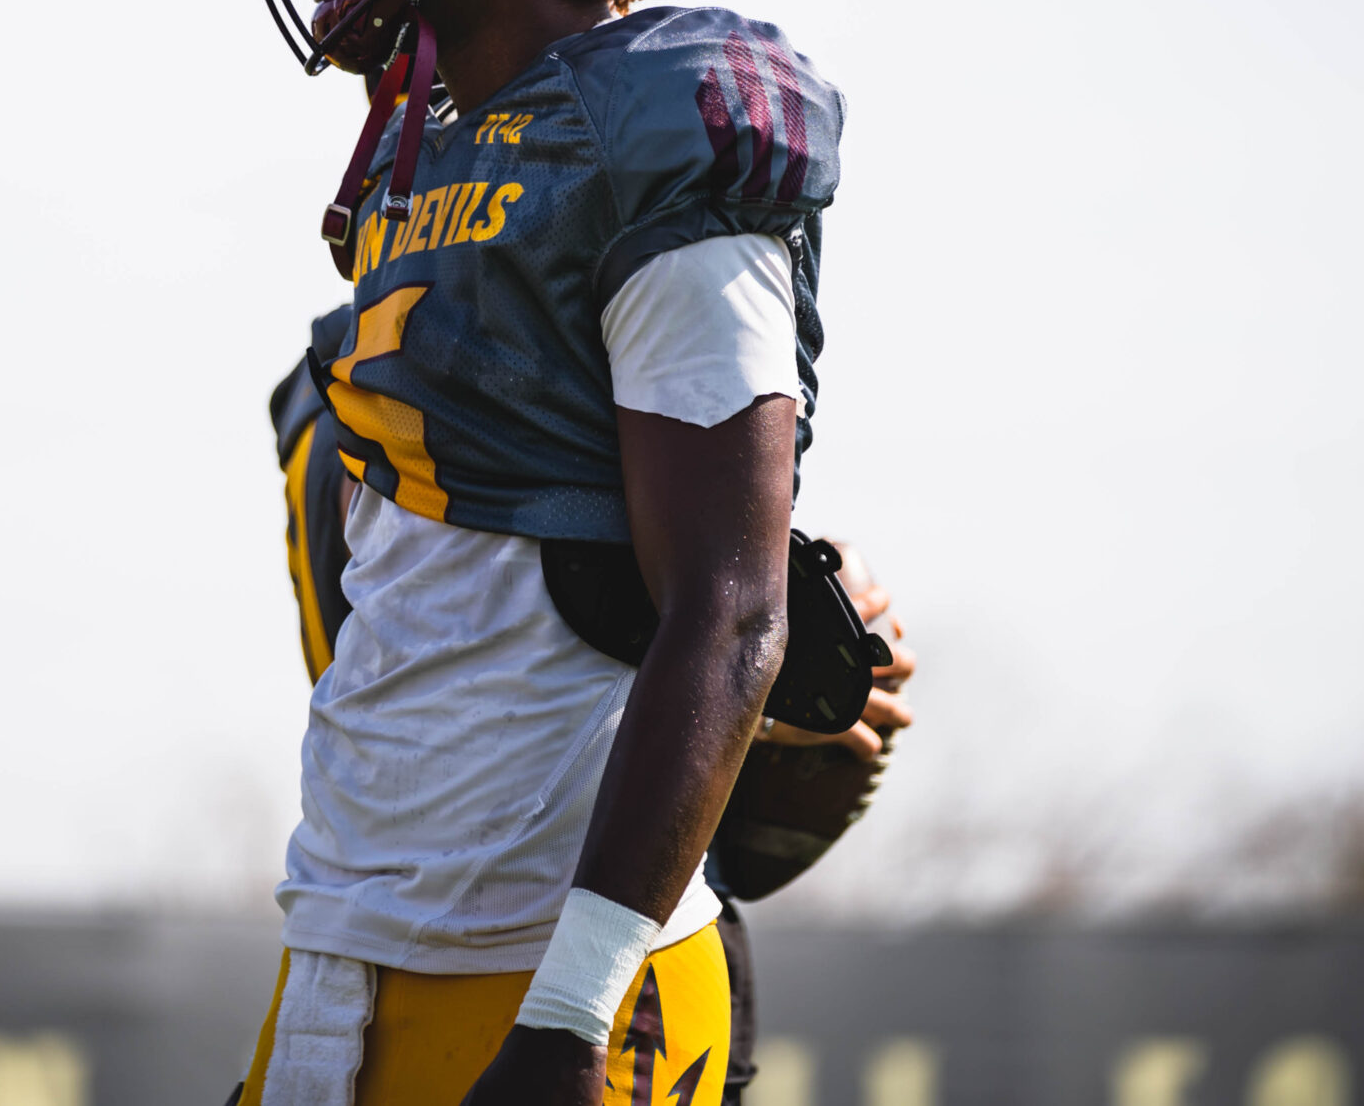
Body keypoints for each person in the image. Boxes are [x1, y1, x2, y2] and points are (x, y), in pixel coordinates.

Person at [223, 0, 855, 1106]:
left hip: (540, 982)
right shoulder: (438, 161)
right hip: (351, 944)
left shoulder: (660, 139)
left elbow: (729, 598)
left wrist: (572, 1008)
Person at [268, 312, 915, 1104]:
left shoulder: (351, 355)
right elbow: (524, 632)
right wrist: (753, 680)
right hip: (558, 909)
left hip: (369, 910)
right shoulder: (485, 326)